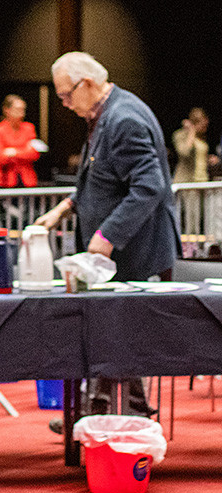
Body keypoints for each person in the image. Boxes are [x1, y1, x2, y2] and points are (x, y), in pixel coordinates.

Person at [34, 51, 180, 424]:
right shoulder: (104, 114)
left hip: (135, 251)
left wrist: (106, 236)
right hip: (121, 251)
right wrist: (64, 208)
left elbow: (150, 186)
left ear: (87, 84)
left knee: (119, 332)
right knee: (108, 330)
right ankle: (99, 410)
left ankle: (124, 414)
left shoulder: (124, 119)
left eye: (66, 95)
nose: (64, 104)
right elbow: (101, 179)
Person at [0, 94, 41, 188]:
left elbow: (34, 154)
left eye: (23, 109)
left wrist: (13, 152)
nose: (22, 113)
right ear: (6, 110)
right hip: (3, 180)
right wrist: (24, 150)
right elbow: (0, 156)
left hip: (26, 180)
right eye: (17, 109)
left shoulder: (29, 128)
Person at [172, 107, 211, 183]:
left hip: (202, 180)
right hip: (186, 181)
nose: (205, 128)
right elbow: (185, 153)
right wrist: (191, 131)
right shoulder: (180, 135)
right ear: (195, 123)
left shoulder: (201, 137)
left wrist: (208, 159)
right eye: (203, 126)